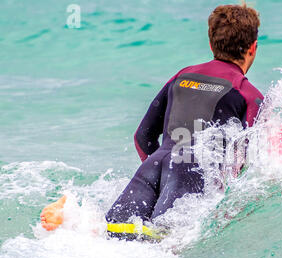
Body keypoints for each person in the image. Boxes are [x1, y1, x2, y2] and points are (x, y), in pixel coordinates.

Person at [41, 4, 264, 240]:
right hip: (189, 174)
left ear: (211, 44)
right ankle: (73, 219)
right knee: (161, 245)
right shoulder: (249, 95)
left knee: (112, 238)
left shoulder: (182, 76)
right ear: (253, 47)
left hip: (152, 167)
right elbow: (245, 162)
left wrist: (163, 176)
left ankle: (71, 216)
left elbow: (143, 137)